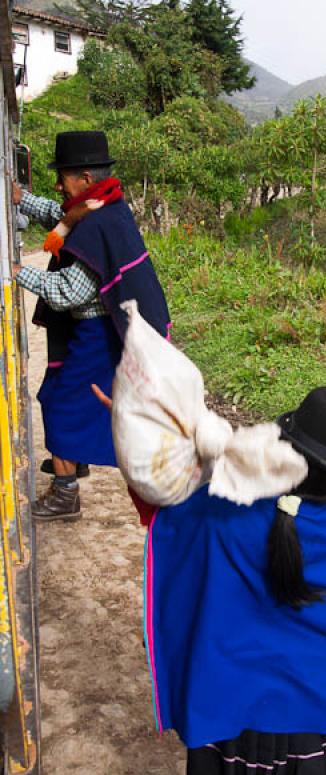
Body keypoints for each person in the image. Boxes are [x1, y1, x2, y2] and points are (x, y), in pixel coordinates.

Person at [98, 381, 326, 775]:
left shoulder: (220, 505)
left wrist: (132, 431)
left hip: (233, 718)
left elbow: (158, 503)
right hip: (325, 722)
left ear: (282, 444)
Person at [13, 130, 170, 521]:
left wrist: (16, 271)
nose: (57, 183)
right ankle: (72, 461)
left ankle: (66, 493)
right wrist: (22, 201)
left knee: (60, 403)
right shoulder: (103, 205)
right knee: (69, 398)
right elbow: (62, 217)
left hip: (100, 336)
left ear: (84, 178)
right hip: (104, 330)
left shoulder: (95, 223)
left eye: (63, 175)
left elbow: (68, 293)